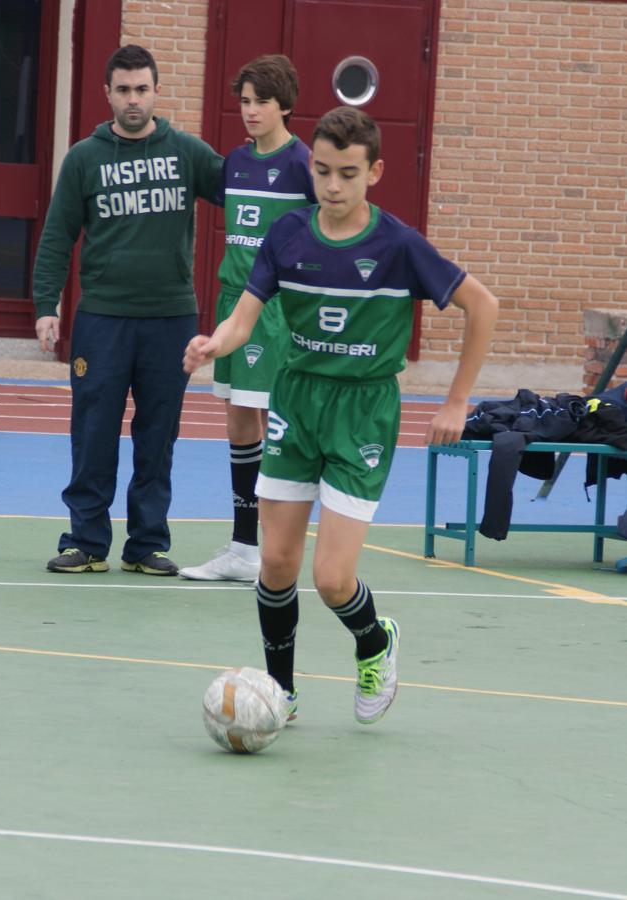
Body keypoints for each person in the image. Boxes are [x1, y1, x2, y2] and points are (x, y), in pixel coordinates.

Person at [183, 107, 498, 723]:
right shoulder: (288, 236)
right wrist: (215, 343)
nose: (332, 186)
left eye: (347, 174)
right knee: (274, 562)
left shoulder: (398, 245)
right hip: (296, 399)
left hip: (363, 412)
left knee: (330, 578)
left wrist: (457, 400)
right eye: (322, 171)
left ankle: (375, 642)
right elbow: (244, 317)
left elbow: (482, 306)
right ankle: (283, 692)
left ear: (374, 172)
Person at [33, 44, 223, 576]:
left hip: (171, 319)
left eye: (142, 89)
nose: (133, 99)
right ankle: (86, 542)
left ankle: (147, 545)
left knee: (158, 435)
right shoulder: (84, 158)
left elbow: (243, 190)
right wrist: (47, 304)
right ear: (108, 94)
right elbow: (55, 238)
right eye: (123, 90)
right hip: (103, 319)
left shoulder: (187, 152)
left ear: (157, 91)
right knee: (93, 430)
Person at [179, 54, 315, 583]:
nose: (250, 110)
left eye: (260, 101)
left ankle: (268, 546)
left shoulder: (304, 162)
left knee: (266, 419)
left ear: (284, 104)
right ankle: (242, 546)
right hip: (231, 300)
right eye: (244, 101)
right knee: (237, 418)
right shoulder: (234, 163)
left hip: (274, 308)